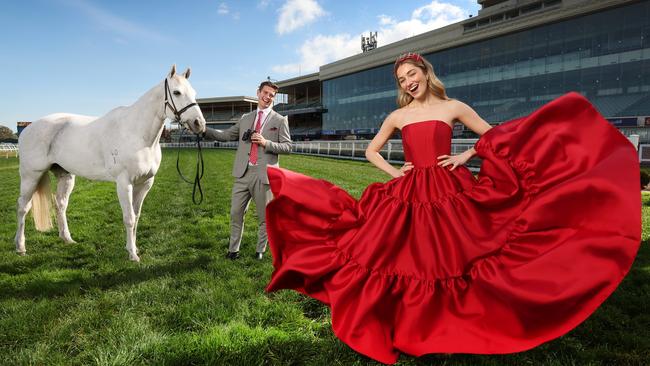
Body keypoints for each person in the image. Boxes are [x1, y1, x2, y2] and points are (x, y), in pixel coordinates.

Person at [263, 53, 641, 364]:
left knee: (458, 250)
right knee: (406, 253)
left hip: (450, 187)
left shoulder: (454, 106)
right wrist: (397, 173)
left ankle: (456, 319)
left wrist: (465, 155)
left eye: (412, 74)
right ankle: (410, 319)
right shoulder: (398, 116)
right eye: (401, 79)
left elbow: (493, 136)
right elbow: (370, 151)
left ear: (426, 73)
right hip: (410, 190)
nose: (408, 81)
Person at [203, 80, 291, 260]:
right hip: (242, 174)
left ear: (273, 99)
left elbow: (288, 147)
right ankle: (233, 250)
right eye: (265, 93)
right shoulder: (246, 119)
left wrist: (266, 143)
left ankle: (260, 250)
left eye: (271, 96)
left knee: (264, 217)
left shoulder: (280, 120)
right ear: (258, 93)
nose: (267, 97)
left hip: (264, 176)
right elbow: (226, 135)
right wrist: (203, 130)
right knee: (236, 213)